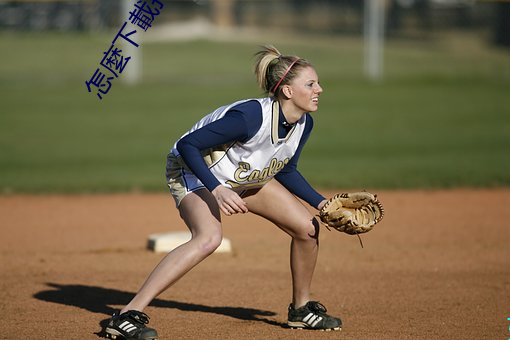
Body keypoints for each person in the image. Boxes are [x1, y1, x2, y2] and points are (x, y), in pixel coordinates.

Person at [105, 45, 342, 340]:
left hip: (241, 177)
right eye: (310, 84)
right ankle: (126, 315)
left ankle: (302, 309)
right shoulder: (249, 117)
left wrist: (323, 204)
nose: (320, 88)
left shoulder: (303, 123)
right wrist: (216, 189)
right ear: (288, 92)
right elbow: (187, 146)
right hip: (193, 172)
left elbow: (286, 169)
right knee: (209, 238)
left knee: (307, 228)